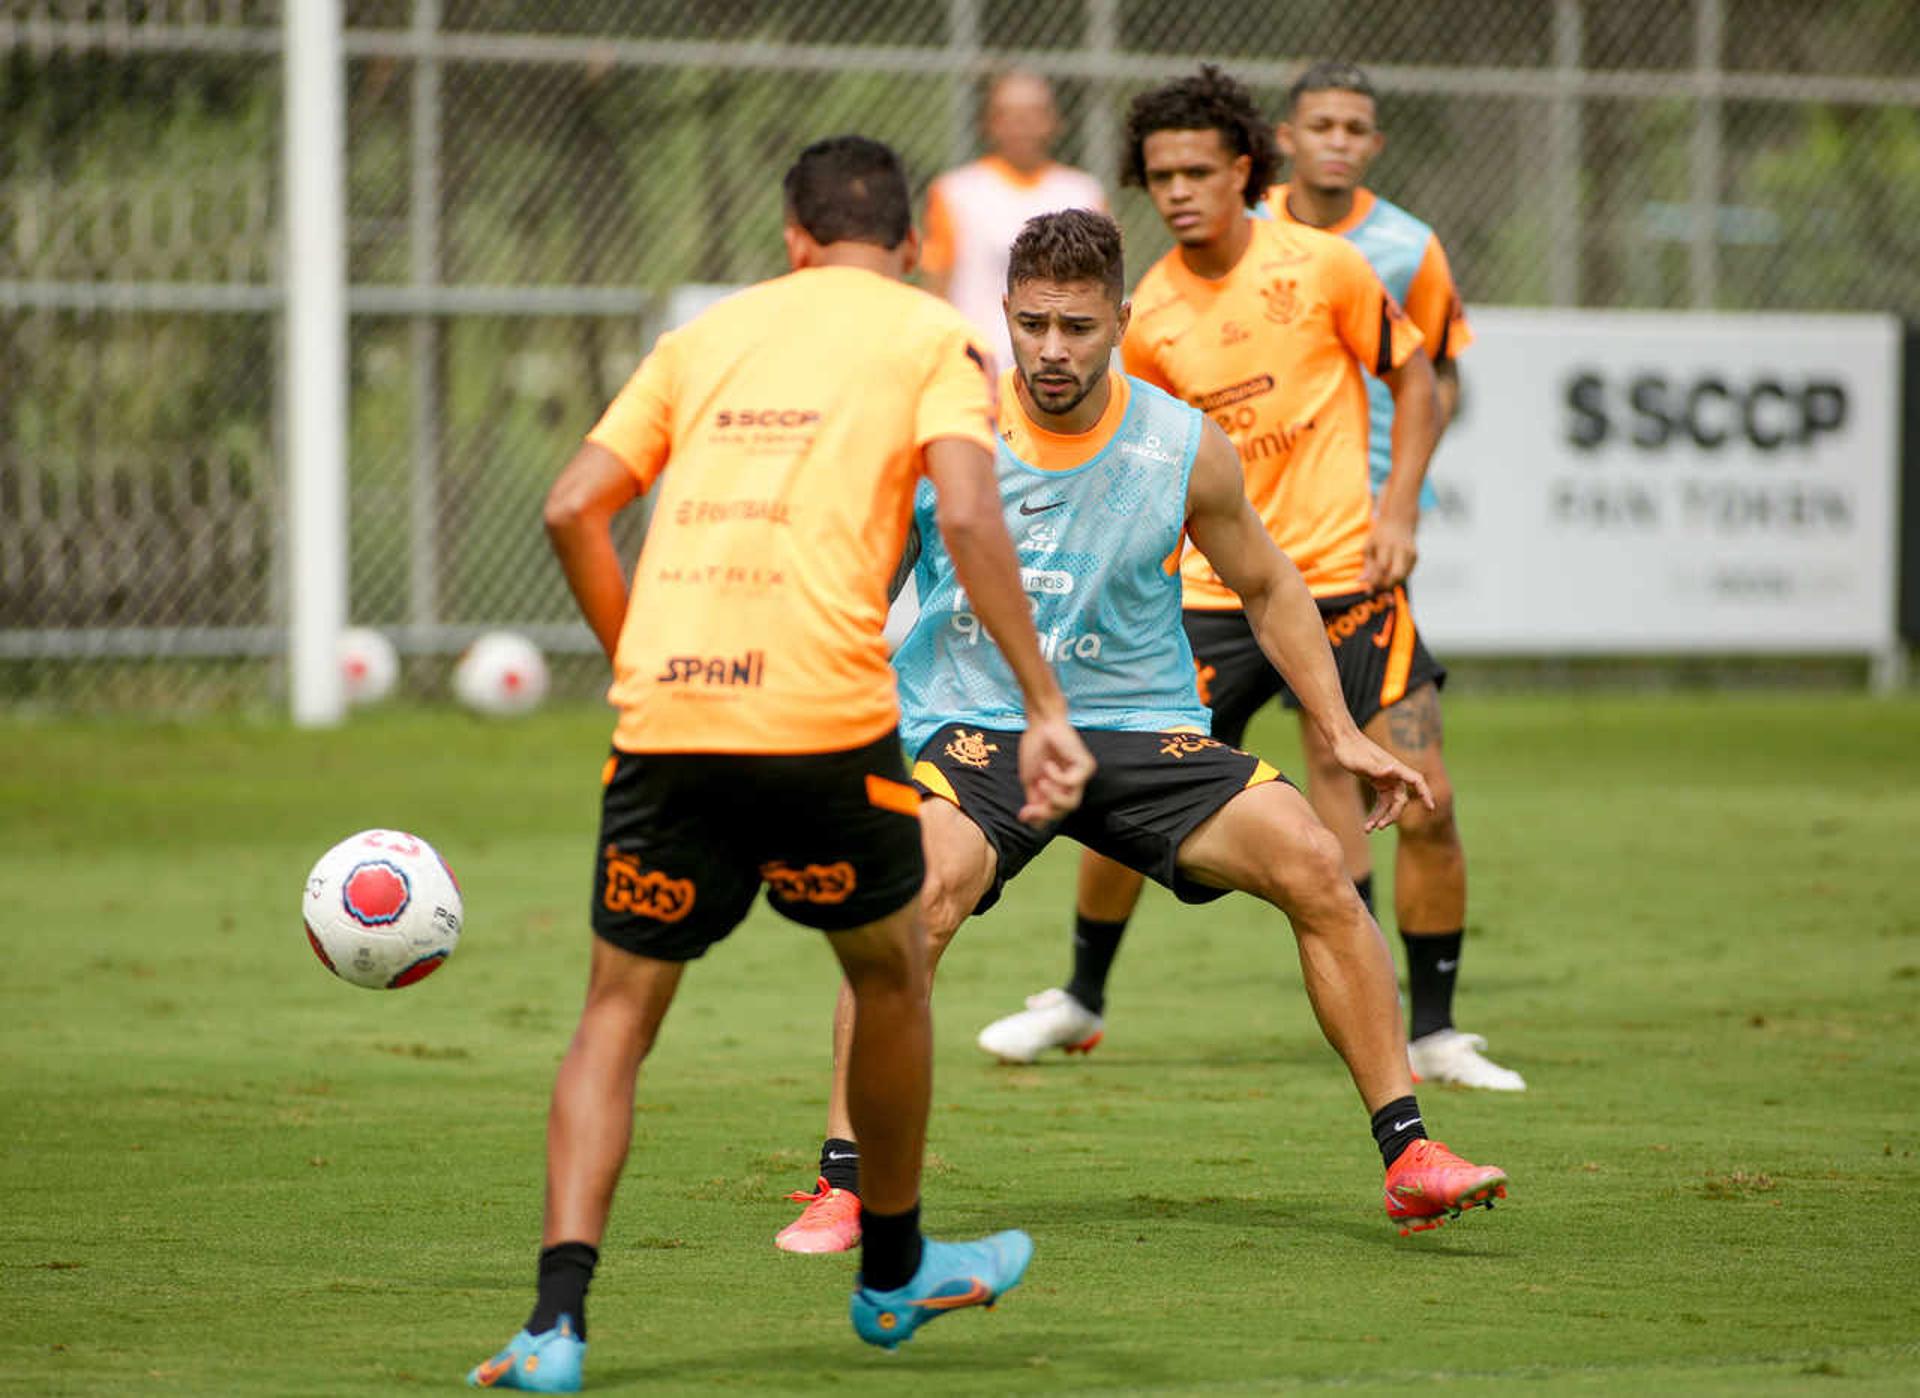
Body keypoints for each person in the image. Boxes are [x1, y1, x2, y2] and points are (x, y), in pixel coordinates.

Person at [466, 136, 1096, 1392]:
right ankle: (895, 1270)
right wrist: (1041, 702)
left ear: (794, 236)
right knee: (891, 970)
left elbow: (570, 505)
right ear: (908, 242)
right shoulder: (932, 339)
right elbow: (968, 514)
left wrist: (637, 652)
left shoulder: (704, 339)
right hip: (821, 718)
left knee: (614, 1017)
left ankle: (553, 1327)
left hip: (671, 719)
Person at [775, 208, 1508, 1259]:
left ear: (1121, 319)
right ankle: (844, 1186)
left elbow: (1265, 583)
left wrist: (1338, 730)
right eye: (1033, 325)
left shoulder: (1180, 442)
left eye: (1077, 327)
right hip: (981, 734)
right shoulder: (950, 437)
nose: (1053, 350)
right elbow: (862, 589)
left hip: (1139, 732)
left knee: (1315, 864)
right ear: (1006, 317)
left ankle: (1410, 1157)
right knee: (915, 901)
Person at [978, 65, 1523, 1091]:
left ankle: (1436, 1030)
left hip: (1347, 580)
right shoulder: (1140, 316)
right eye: (1157, 175)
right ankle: (1083, 997)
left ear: (1244, 169)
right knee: (1121, 792)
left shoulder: (1327, 268)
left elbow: (1418, 379)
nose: (1177, 192)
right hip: (1205, 599)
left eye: (1196, 170)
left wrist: (1400, 508)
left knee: (1427, 801)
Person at [921, 69, 1107, 369]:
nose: (1022, 126)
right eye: (1008, 115)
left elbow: (1103, 287)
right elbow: (937, 285)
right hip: (977, 364)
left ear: (1055, 121)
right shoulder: (956, 191)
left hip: (1061, 367)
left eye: (1033, 113)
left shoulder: (1084, 192)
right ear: (989, 123)